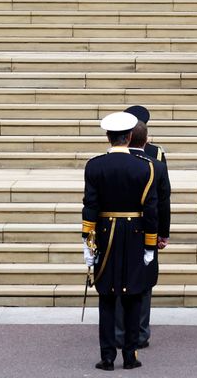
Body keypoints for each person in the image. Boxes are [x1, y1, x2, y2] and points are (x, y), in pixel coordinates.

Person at [81, 112, 159, 371]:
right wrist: (150, 245)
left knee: (107, 297)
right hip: (136, 235)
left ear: (108, 136)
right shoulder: (145, 165)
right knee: (133, 296)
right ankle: (130, 355)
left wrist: (87, 241)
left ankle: (106, 357)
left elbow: (90, 206)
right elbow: (151, 210)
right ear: (128, 138)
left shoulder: (94, 165)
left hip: (105, 234)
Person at [112, 107, 171, 351]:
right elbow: (163, 198)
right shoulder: (155, 154)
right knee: (144, 282)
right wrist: (162, 232)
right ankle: (140, 332)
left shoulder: (112, 156)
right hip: (146, 225)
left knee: (118, 279)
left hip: (116, 227)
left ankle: (119, 332)